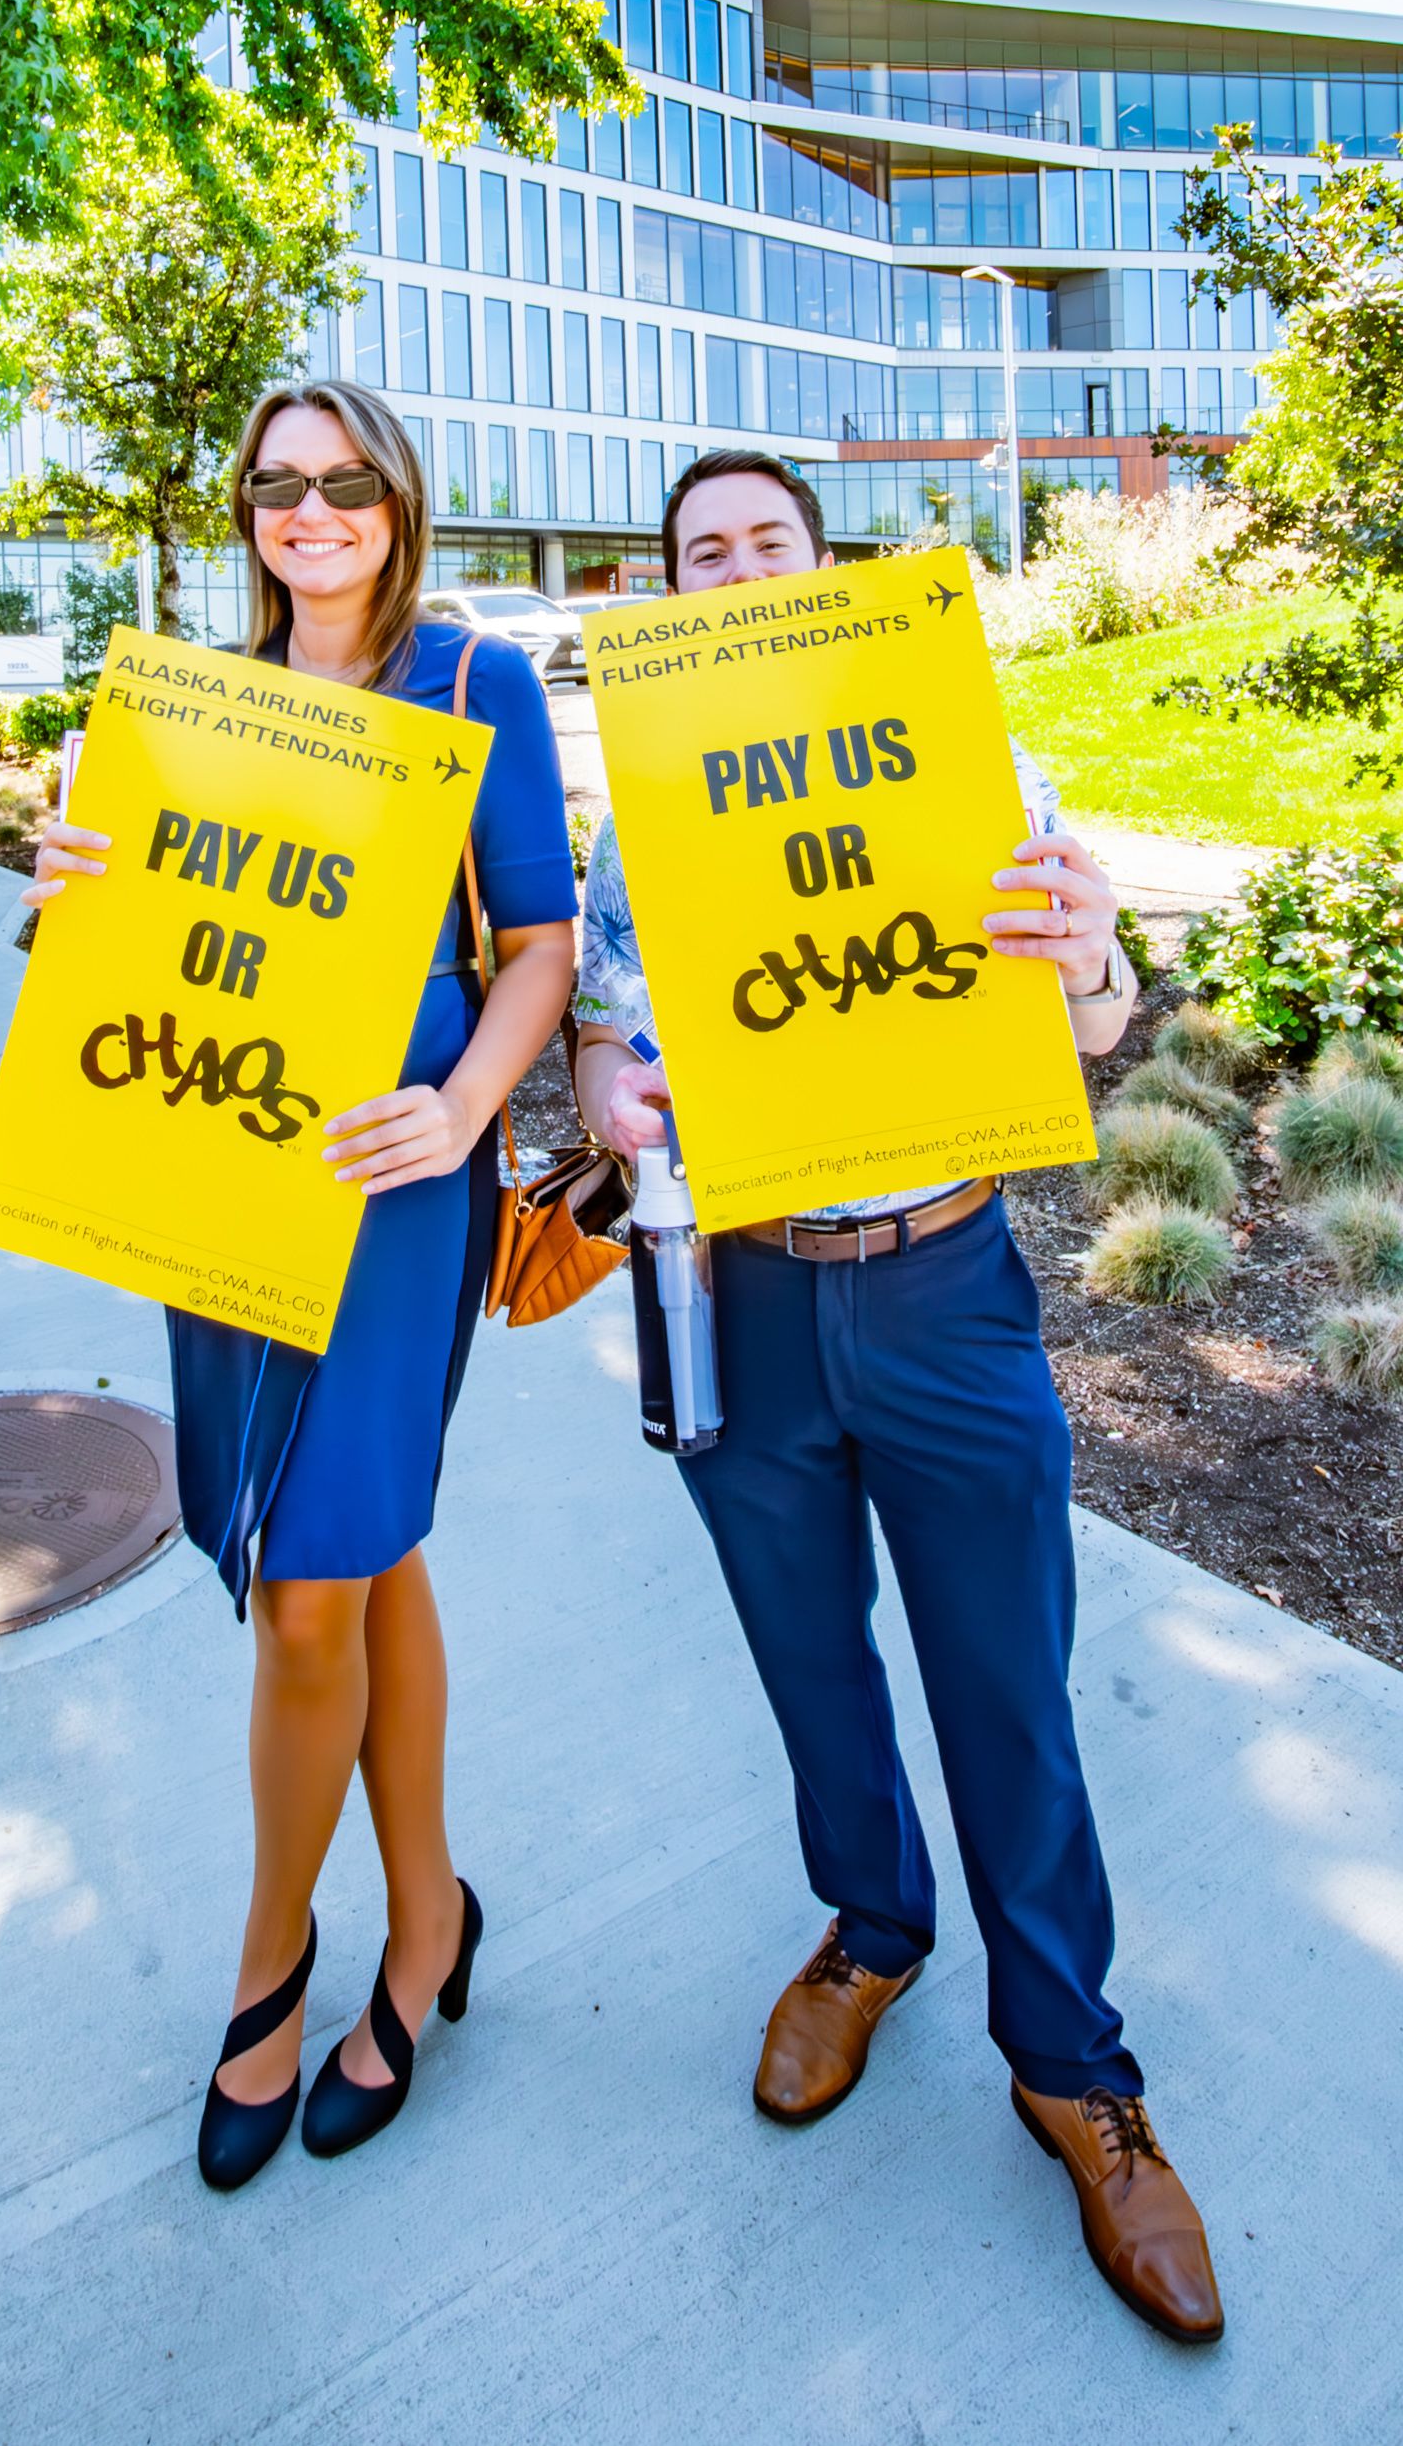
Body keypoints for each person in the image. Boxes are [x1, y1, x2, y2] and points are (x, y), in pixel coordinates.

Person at [573, 450, 1222, 2344]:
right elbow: (617, 1028)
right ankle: (873, 1932)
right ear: (678, 595)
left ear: (822, 566)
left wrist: (1095, 953)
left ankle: (1076, 2068)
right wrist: (609, 1089)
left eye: (768, 539)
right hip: (745, 1291)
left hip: (943, 1282)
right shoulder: (647, 815)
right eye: (704, 552)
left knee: (1006, 1681)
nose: (737, 566)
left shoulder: (962, 757)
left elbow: (1089, 1022)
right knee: (809, 1659)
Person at [27, 381, 577, 2192]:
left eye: (344, 481)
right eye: (278, 483)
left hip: (399, 1184)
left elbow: (538, 947)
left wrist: (463, 1107)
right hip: (221, 1163)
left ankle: (274, 1969)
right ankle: (430, 1918)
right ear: (246, 505)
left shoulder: (473, 676)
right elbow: (130, 951)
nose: (311, 510)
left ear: (397, 494)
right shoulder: (203, 700)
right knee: (359, 1550)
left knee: (306, 1595)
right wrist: (69, 883)